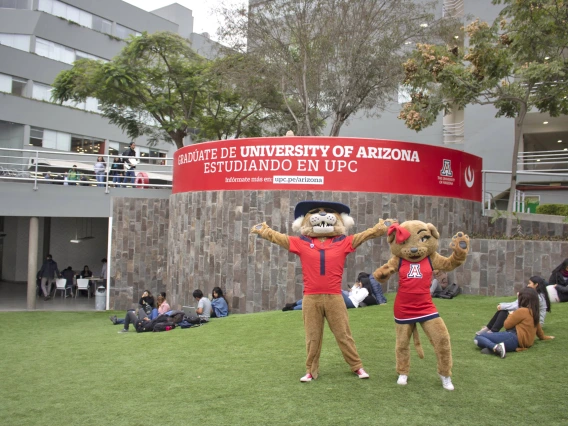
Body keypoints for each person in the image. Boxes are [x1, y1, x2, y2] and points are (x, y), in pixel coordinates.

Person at [473, 287, 555, 358]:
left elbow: (507, 325)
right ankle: (496, 349)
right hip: (523, 342)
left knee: (478, 338)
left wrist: (511, 314)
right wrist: (544, 337)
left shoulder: (522, 311)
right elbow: (539, 330)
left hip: (514, 338)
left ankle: (495, 347)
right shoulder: (534, 312)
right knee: (487, 344)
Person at [476, 276, 551, 334]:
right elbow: (517, 304)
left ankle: (492, 331)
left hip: (534, 322)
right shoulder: (533, 294)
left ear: (536, 285)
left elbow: (518, 306)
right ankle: (489, 328)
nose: (528, 285)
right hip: (529, 317)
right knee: (503, 310)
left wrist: (503, 306)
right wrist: (503, 305)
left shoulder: (538, 297)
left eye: (529, 283)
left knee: (504, 312)